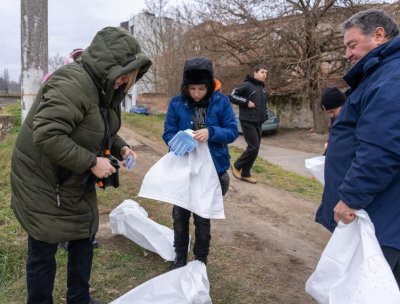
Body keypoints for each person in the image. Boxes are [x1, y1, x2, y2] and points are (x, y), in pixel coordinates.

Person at [10, 26, 151, 304]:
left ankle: (79, 299)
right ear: (108, 65)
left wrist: (120, 146)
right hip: (43, 180)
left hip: (72, 177)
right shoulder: (71, 83)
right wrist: (92, 162)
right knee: (43, 247)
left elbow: (97, 125)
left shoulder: (103, 86)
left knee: (83, 239)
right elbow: (48, 135)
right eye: (125, 72)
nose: (125, 80)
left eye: (130, 74)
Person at [315, 8, 400, 286]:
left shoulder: (391, 76)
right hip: (380, 211)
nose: (347, 54)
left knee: (365, 288)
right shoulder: (381, 73)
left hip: (379, 214)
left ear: (379, 35)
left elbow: (381, 146)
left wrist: (351, 196)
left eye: (352, 45)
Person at [162, 56, 238, 270]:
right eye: (192, 89)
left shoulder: (221, 102)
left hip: (212, 170)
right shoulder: (176, 103)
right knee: (180, 215)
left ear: (210, 86)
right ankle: (179, 258)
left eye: (201, 89)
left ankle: (201, 260)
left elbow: (232, 131)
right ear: (185, 86)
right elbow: (167, 132)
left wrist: (211, 132)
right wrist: (178, 140)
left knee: (203, 218)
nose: (196, 94)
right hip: (184, 170)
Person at [229, 64, 268, 184]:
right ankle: (236, 165)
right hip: (247, 120)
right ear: (255, 73)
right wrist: (246, 102)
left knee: (255, 149)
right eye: (262, 72)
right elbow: (232, 96)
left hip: (258, 121)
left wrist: (264, 114)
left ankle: (246, 173)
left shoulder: (262, 88)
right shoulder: (247, 85)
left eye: (266, 73)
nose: (264, 75)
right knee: (253, 146)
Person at [320, 87, 347, 153]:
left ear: (343, 105)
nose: (331, 115)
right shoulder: (335, 119)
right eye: (328, 112)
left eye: (332, 111)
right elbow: (333, 135)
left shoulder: (355, 120)